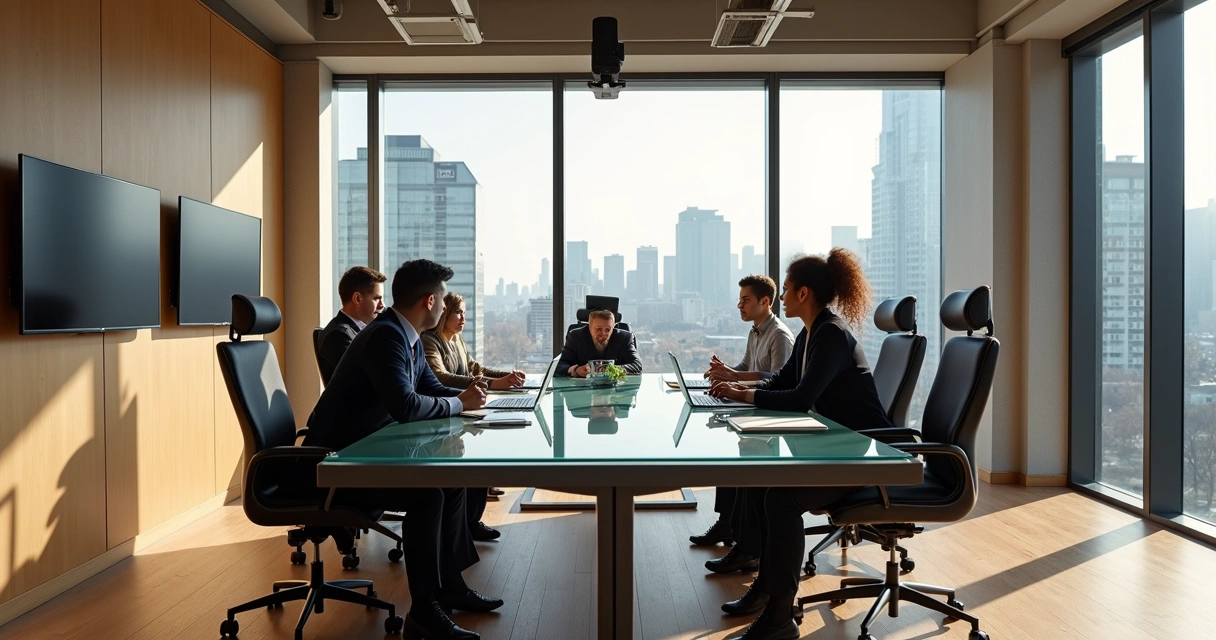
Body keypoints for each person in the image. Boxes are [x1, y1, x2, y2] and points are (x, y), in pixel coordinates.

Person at [306, 259, 499, 640]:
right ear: (429, 301)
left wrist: (472, 398)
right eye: (443, 301)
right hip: (337, 466)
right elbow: (407, 406)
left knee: (452, 480)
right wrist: (461, 404)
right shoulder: (386, 337)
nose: (445, 308)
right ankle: (424, 614)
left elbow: (430, 388)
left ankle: (450, 588)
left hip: (367, 452)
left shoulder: (402, 335)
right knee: (428, 496)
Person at [707, 249, 894, 640]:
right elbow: (782, 381)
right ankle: (764, 590)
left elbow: (798, 397)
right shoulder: (814, 333)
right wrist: (742, 386)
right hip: (837, 445)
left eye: (787, 289)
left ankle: (779, 618)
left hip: (863, 454)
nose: (783, 296)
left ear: (804, 293)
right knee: (764, 483)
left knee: (781, 498)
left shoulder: (831, 335)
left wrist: (744, 397)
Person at [691, 274, 795, 551]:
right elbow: (747, 366)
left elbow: (778, 379)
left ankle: (740, 534)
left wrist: (734, 375)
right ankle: (727, 523)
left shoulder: (780, 336)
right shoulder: (756, 330)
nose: (740, 305)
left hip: (771, 416)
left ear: (765, 301)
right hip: (750, 406)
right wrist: (723, 375)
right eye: (739, 300)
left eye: (745, 300)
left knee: (737, 462)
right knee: (727, 457)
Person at [421, 292, 525, 541]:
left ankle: (471, 521)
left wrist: (506, 377)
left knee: (481, 456)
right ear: (444, 313)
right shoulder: (429, 341)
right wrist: (493, 384)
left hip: (465, 413)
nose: (463, 319)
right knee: (474, 461)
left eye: (465, 313)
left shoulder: (457, 340)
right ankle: (466, 523)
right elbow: (440, 377)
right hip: (442, 417)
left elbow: (476, 370)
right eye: (458, 313)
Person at [316, 266, 386, 385]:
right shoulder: (338, 336)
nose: (382, 305)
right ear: (357, 298)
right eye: (376, 299)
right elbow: (367, 380)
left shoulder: (364, 331)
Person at [556, 308, 643, 377]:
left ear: (613, 328)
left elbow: (637, 365)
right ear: (589, 327)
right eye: (598, 329)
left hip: (615, 393)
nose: (603, 334)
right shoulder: (576, 336)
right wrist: (576, 370)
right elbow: (559, 366)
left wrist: (611, 369)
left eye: (608, 330)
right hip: (584, 391)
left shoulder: (624, 338)